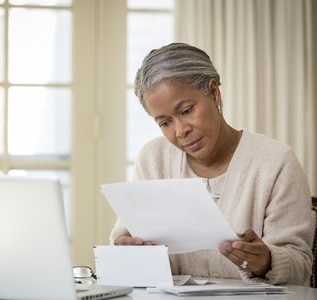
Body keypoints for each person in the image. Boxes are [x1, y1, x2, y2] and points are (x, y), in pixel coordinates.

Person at [109, 42, 315, 286]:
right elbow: (124, 239)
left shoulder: (277, 163)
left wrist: (267, 261)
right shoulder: (152, 159)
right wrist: (126, 249)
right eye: (165, 123)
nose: (181, 131)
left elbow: (301, 266)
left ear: (214, 92)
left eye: (186, 110)